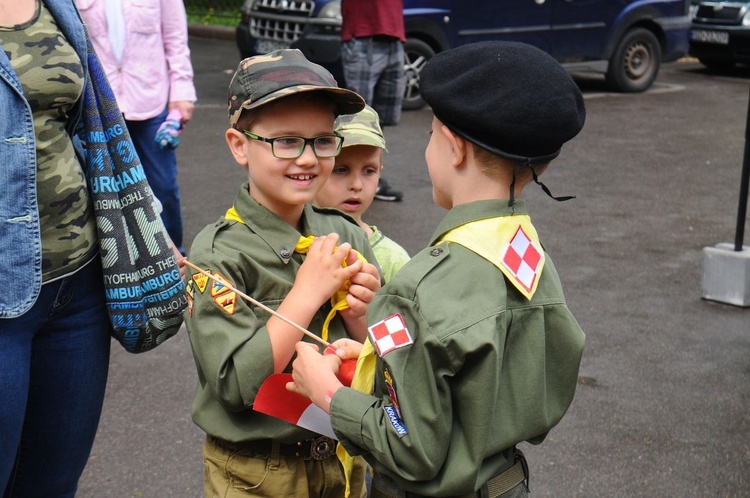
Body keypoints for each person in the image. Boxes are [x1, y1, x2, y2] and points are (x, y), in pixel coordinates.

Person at [287, 41, 587, 498]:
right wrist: (372, 361)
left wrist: (327, 392)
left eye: (430, 134)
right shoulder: (529, 256)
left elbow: (410, 450)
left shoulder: (416, 291)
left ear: (454, 148)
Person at [184, 49, 383, 498]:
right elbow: (236, 387)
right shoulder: (218, 254)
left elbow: (387, 361)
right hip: (256, 470)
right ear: (239, 145)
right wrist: (307, 293)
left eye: (323, 140)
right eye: (287, 141)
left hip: (340, 456)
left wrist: (362, 313)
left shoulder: (344, 233)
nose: (309, 158)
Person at [1, 0, 119, 494]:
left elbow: (87, 131)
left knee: (52, 485)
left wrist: (143, 230)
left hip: (78, 291)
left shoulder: (58, 5)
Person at [77, 0, 196, 254]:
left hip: (150, 100)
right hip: (99, 106)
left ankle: (176, 263)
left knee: (162, 187)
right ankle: (123, 265)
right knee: (103, 193)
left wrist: (181, 93)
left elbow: (175, 39)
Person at [314, 104, 410, 283]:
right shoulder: (291, 243)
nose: (357, 185)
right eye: (341, 170)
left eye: (369, 171)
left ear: (380, 172)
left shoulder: (393, 260)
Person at [340, 0, 405, 202]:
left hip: (395, 37)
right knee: (356, 117)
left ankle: (371, 179)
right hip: (362, 37)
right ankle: (344, 179)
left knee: (382, 119)